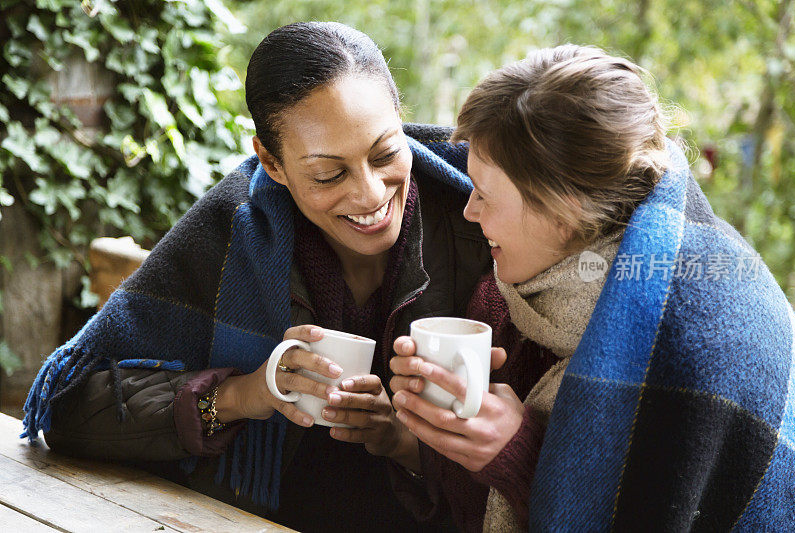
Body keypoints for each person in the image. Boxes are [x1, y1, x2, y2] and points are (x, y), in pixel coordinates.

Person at [22, 22, 494, 532]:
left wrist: (402, 440)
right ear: (272, 162)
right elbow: (70, 408)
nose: (370, 193)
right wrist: (249, 394)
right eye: (328, 174)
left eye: (385, 153)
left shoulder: (479, 212)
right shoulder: (229, 230)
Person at [390, 45, 795, 531]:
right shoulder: (513, 299)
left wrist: (521, 461)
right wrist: (418, 431)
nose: (468, 211)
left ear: (563, 212)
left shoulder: (697, 338)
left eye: (484, 194)